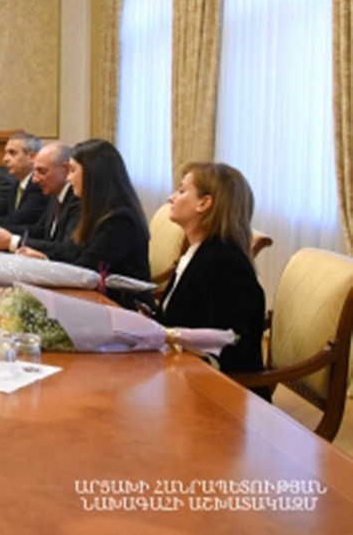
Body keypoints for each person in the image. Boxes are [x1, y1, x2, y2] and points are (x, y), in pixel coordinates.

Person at [158, 163, 267, 388]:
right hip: (182, 375)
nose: (171, 197)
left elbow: (229, 347)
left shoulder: (225, 263)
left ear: (204, 203)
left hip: (217, 391)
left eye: (181, 191)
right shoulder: (199, 251)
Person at [17, 139, 150, 307]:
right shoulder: (97, 211)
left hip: (122, 306)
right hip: (96, 300)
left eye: (73, 170)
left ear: (93, 174)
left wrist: (44, 259)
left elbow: (85, 270)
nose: (68, 178)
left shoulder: (120, 220)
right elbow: (74, 253)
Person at [0, 141, 81, 253]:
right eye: (35, 172)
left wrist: (14, 242)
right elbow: (38, 231)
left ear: (65, 170)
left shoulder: (78, 199)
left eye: (42, 171)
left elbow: (67, 250)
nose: (35, 179)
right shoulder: (55, 194)